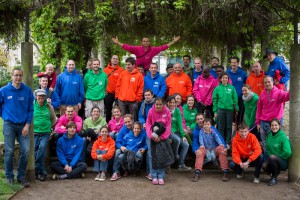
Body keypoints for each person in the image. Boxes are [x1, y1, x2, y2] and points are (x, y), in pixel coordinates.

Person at [0, 68, 34, 186]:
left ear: (22, 76)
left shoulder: (27, 91)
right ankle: (9, 176)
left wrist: (27, 125)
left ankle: (21, 176)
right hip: (9, 125)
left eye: (20, 75)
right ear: (12, 76)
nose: (18, 78)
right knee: (9, 151)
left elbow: (31, 109)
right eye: (16, 75)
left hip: (23, 126)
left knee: (25, 151)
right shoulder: (3, 90)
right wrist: (4, 116)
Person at [256, 76, 289, 150]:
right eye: (265, 82)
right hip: (263, 123)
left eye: (269, 82)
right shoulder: (261, 95)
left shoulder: (279, 92)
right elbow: (259, 110)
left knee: (275, 144)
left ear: (272, 82)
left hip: (275, 124)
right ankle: (266, 160)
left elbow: (287, 96)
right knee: (265, 144)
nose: (267, 84)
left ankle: (274, 160)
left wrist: (291, 90)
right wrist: (258, 123)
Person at [112, 36, 180, 71]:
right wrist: (118, 43)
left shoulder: (153, 50)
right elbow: (127, 47)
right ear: (142, 42)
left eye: (147, 41)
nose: (145, 43)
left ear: (149, 42)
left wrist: (173, 42)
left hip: (147, 70)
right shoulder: (137, 49)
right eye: (144, 41)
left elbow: (163, 47)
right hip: (138, 69)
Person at [146, 97, 172, 185]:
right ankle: (154, 175)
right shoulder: (150, 111)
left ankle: (161, 176)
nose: (158, 106)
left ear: (163, 104)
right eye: (157, 104)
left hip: (162, 136)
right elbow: (148, 124)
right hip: (152, 136)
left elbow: (168, 126)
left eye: (160, 104)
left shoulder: (167, 111)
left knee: (161, 155)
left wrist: (162, 137)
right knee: (152, 155)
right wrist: (152, 136)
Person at [33, 89, 57, 181]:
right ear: (36, 96)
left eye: (43, 96)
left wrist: (48, 127)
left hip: (45, 133)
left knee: (42, 149)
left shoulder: (49, 107)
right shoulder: (32, 105)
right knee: (35, 152)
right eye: (39, 96)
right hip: (34, 133)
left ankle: (36, 169)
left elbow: (53, 119)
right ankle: (41, 173)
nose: (41, 97)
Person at [262, 119, 292, 186]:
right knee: (264, 166)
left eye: (276, 125)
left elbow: (288, 152)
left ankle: (274, 178)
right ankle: (276, 171)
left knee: (273, 157)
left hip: (283, 161)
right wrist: (271, 158)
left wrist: (277, 157)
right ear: (270, 127)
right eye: (272, 125)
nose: (274, 127)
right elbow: (268, 148)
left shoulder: (283, 136)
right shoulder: (269, 136)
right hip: (272, 159)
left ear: (279, 125)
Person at [212, 72, 238, 148]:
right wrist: (215, 111)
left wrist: (236, 109)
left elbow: (235, 99)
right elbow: (214, 100)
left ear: (228, 79)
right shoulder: (217, 88)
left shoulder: (232, 88)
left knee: (229, 126)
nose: (225, 79)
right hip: (220, 109)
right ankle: (221, 142)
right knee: (220, 126)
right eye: (223, 78)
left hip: (230, 110)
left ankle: (228, 142)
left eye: (226, 78)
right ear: (220, 79)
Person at [166, 95, 191, 170]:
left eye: (174, 102)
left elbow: (180, 124)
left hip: (176, 132)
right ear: (167, 103)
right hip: (168, 132)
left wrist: (183, 135)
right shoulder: (165, 110)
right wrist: (169, 130)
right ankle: (175, 155)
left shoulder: (177, 110)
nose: (173, 104)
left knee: (186, 144)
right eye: (171, 102)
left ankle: (181, 164)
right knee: (177, 140)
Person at [115, 57, 144, 121]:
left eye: (129, 64)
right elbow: (118, 86)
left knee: (132, 119)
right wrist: (117, 97)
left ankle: (133, 130)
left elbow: (140, 89)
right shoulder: (122, 73)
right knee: (122, 119)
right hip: (122, 100)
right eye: (126, 64)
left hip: (133, 101)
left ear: (133, 65)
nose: (127, 66)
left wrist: (138, 100)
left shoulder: (139, 75)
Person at [110, 114, 134, 181]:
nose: (127, 124)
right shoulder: (123, 129)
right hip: (125, 147)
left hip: (134, 147)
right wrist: (121, 147)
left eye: (129, 122)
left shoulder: (137, 127)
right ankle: (116, 172)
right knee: (117, 151)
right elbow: (117, 141)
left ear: (132, 120)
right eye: (125, 122)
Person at [226, 56, 247, 124]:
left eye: (234, 62)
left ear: (238, 63)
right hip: (229, 98)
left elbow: (246, 84)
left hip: (240, 98)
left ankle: (239, 132)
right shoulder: (227, 72)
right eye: (231, 62)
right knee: (230, 118)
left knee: (239, 118)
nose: (233, 64)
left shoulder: (242, 73)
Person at [103, 55, 124, 122]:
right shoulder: (105, 70)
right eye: (114, 58)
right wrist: (103, 90)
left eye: (117, 59)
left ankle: (118, 125)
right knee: (108, 111)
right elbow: (102, 81)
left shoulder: (121, 70)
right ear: (111, 60)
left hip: (118, 94)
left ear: (118, 61)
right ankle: (108, 124)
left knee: (118, 111)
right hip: (108, 93)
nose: (115, 60)